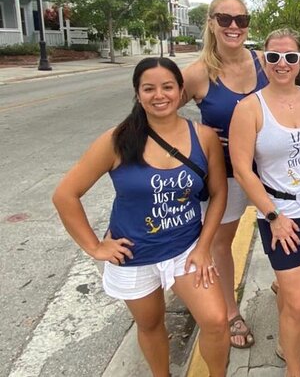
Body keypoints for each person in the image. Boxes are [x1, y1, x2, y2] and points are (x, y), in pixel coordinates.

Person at [52, 57, 230, 377]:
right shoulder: (117, 141)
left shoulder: (202, 137)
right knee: (150, 325)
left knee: (216, 321)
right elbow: (65, 195)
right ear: (138, 93)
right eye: (149, 88)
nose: (158, 95)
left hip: (185, 248)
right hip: (135, 256)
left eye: (167, 87)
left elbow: (218, 194)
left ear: (180, 91)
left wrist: (204, 247)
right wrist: (95, 247)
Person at [229, 28, 300, 377]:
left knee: (295, 279)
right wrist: (273, 215)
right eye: (274, 57)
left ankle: (285, 289)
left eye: (291, 57)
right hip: (283, 214)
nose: (282, 64)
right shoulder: (250, 108)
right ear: (263, 59)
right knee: (299, 301)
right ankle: (292, 363)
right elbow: (242, 169)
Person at [182, 0, 268, 349]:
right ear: (211, 23)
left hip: (268, 172)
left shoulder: (266, 61)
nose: (234, 27)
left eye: (241, 20)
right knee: (221, 243)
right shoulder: (198, 73)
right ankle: (231, 311)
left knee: (291, 232)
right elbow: (159, 109)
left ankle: (288, 281)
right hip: (226, 175)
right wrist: (197, 135)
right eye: (225, 19)